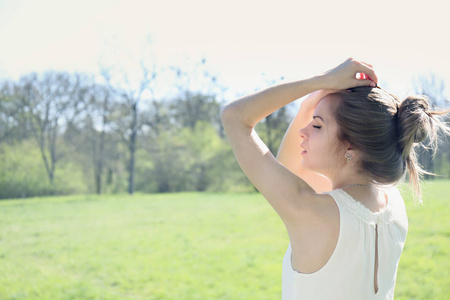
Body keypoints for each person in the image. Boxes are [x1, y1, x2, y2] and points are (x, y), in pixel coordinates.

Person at [220, 58, 450, 299]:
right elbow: (289, 167)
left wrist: (321, 81)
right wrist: (312, 103)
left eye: (317, 126)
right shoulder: (393, 204)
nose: (303, 130)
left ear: (351, 147)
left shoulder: (313, 212)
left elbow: (234, 116)